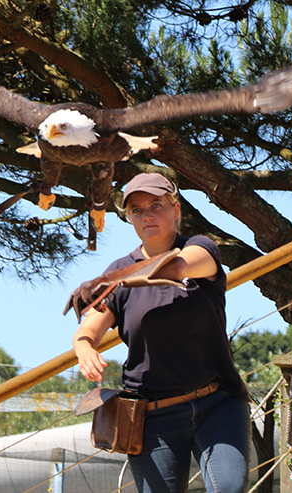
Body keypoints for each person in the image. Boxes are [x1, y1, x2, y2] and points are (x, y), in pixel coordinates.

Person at [70, 172, 251, 493]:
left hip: (217, 405)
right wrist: (84, 349)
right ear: (128, 218)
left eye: (157, 204)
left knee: (229, 489)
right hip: (152, 418)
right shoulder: (116, 274)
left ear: (176, 209)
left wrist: (112, 281)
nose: (147, 214)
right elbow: (88, 331)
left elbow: (174, 268)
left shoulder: (200, 249)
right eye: (137, 210)